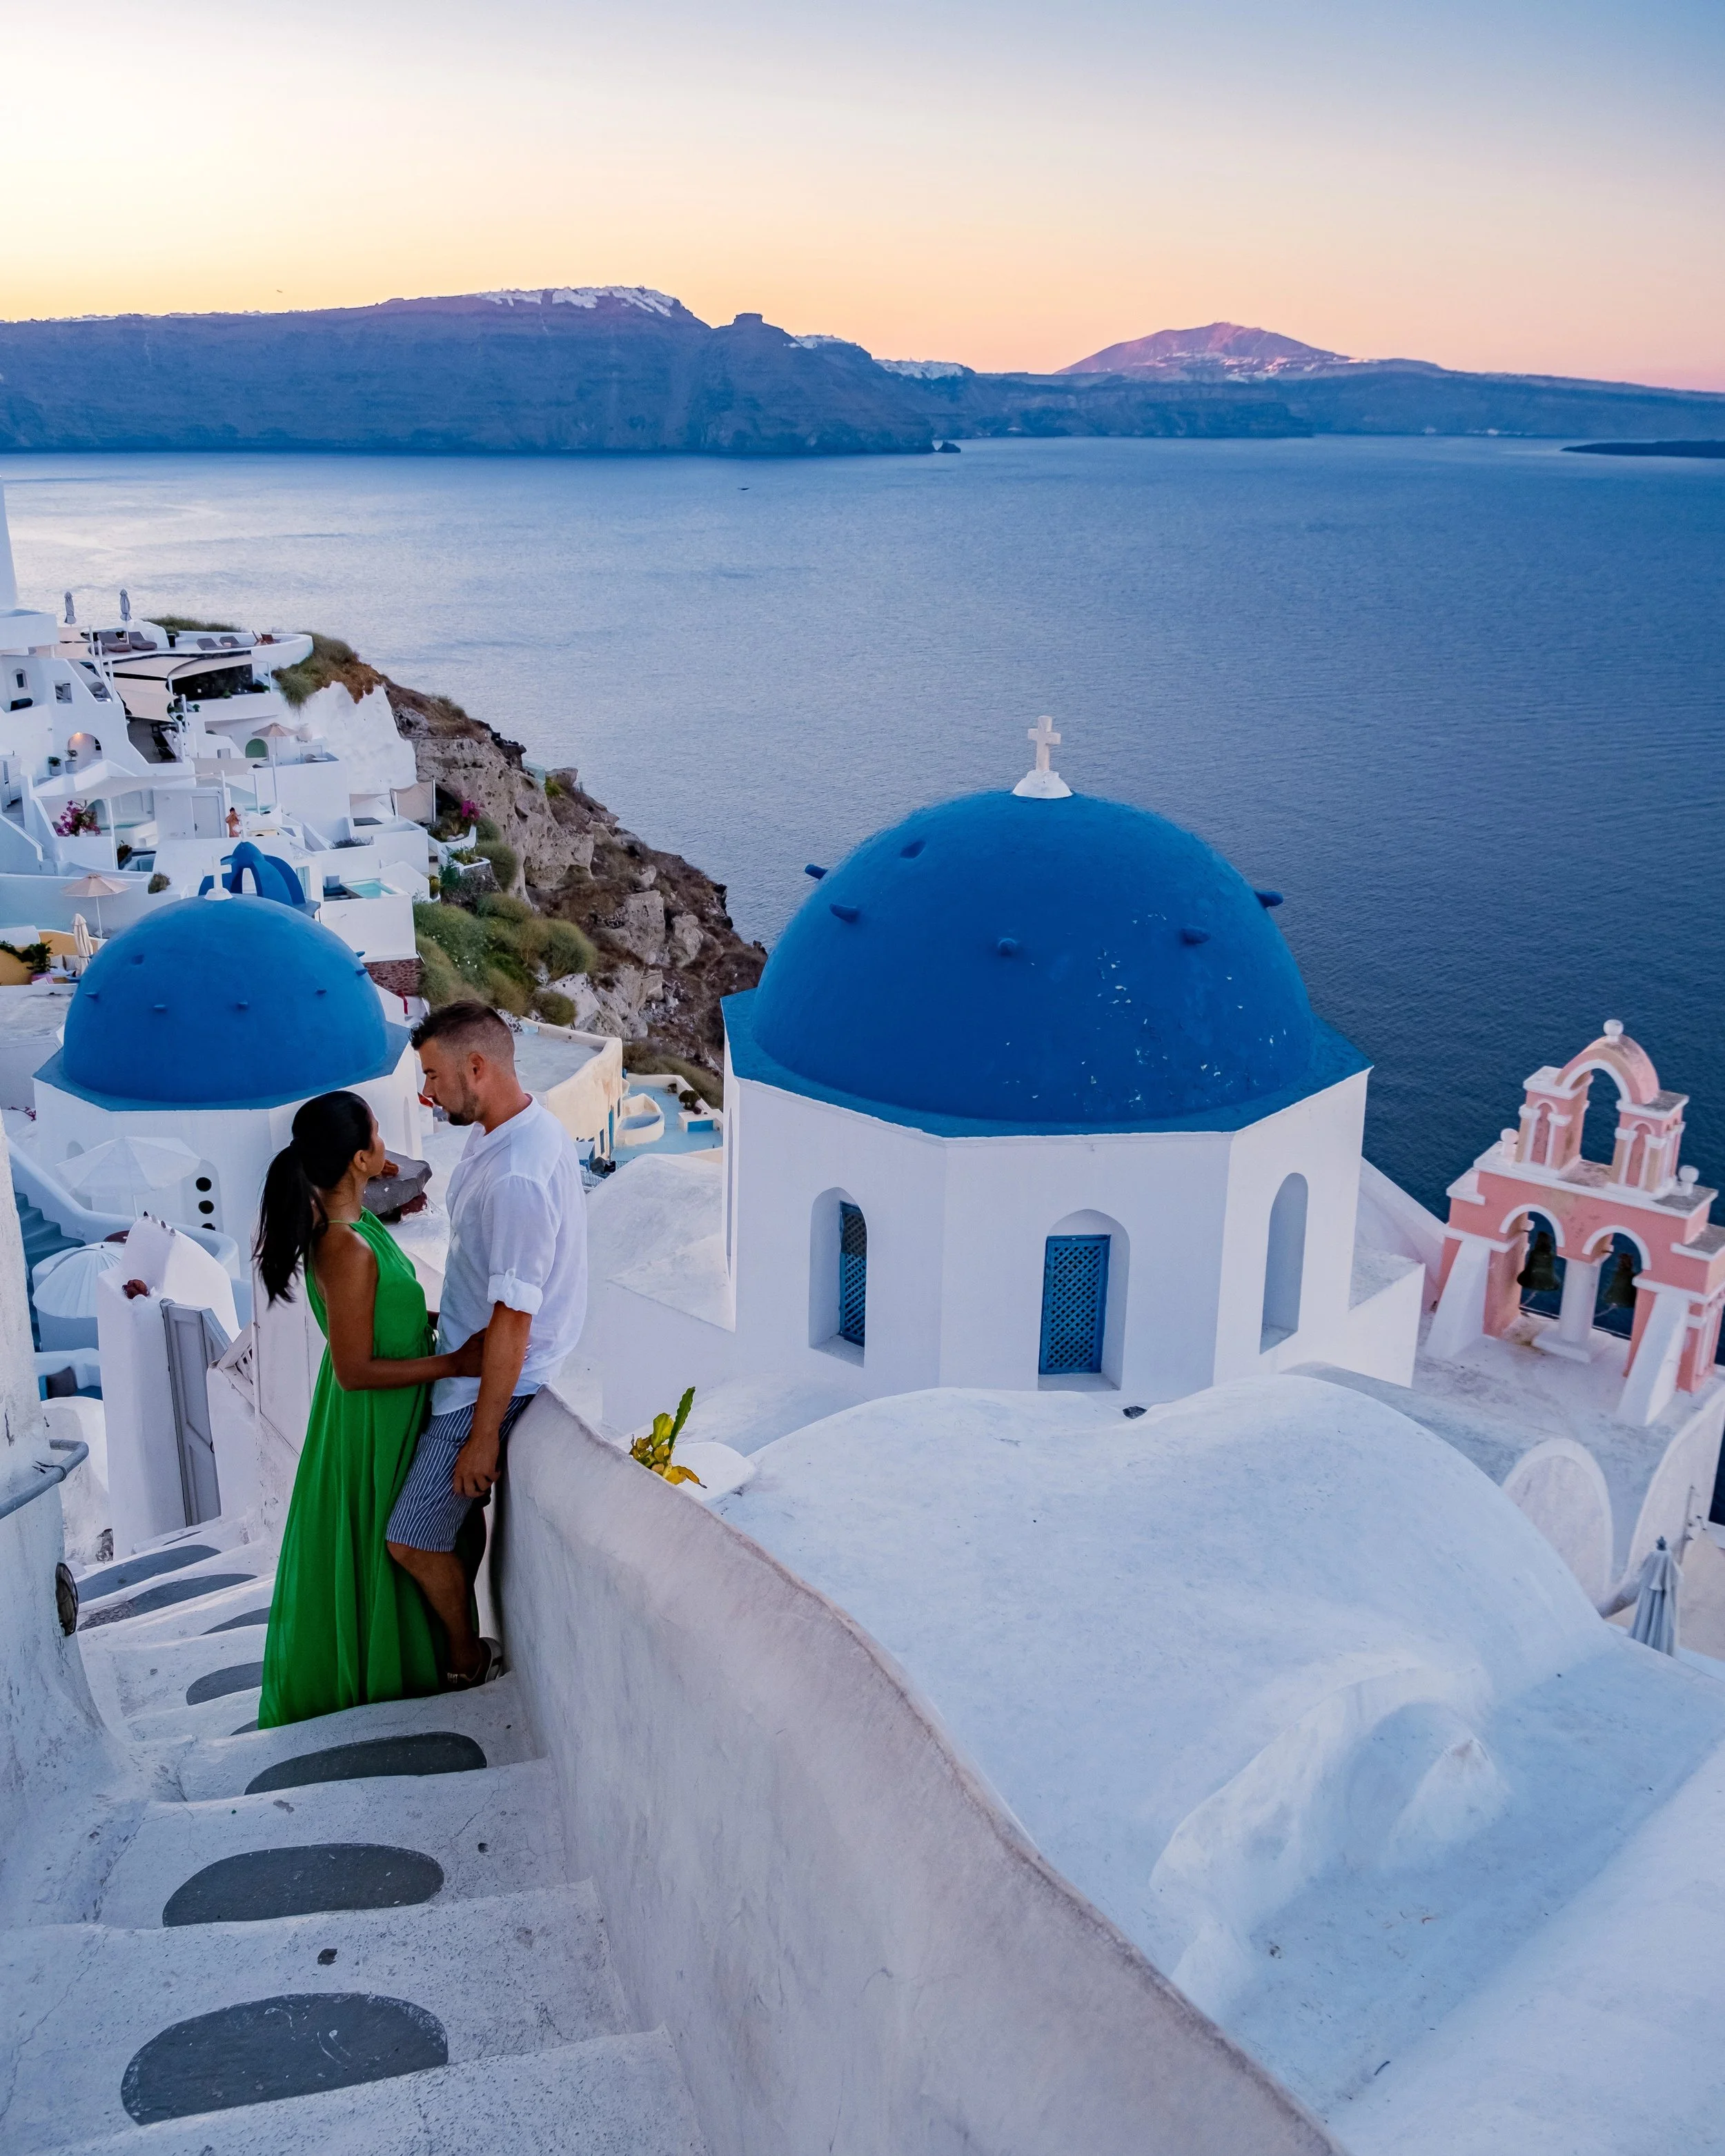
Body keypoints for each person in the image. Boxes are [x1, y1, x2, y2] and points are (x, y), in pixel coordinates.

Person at [253, 1089, 486, 1728]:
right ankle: (432, 1666)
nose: (386, 1143)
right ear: (358, 1157)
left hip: (392, 1411)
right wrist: (456, 1363)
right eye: (377, 1134)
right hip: (371, 1421)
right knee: (392, 1543)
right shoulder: (346, 1248)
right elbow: (355, 1371)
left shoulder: (363, 1227)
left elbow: (390, 1321)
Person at [386, 1000, 587, 1686]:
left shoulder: (518, 1174)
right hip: (468, 1362)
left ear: (478, 1066)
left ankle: (464, 1660)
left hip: (486, 1386)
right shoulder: (502, 1131)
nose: (425, 1091)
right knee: (453, 1524)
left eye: (435, 1074)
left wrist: (481, 1435)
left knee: (410, 1537)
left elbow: (514, 1319)